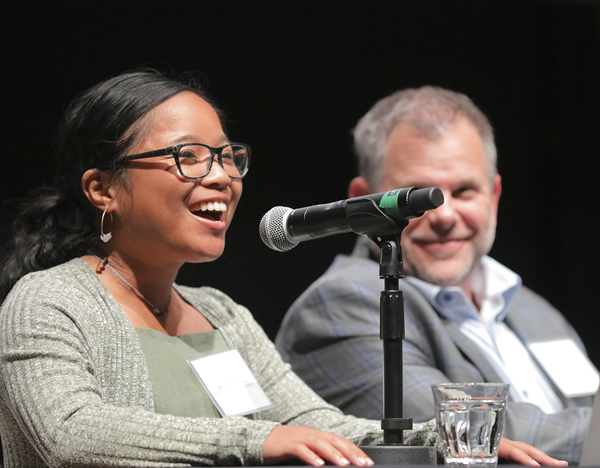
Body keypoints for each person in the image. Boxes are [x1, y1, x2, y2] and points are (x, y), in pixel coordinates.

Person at [0, 71, 565, 468]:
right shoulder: (50, 301)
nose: (221, 176)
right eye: (187, 156)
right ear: (103, 189)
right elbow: (70, 435)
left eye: (226, 156)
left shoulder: (223, 314)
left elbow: (316, 422)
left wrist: (442, 441)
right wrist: (258, 440)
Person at [275, 86, 597, 464]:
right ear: (362, 201)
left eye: (464, 191)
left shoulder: (530, 307)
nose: (444, 216)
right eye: (418, 197)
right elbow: (470, 436)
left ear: (493, 196)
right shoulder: (340, 304)